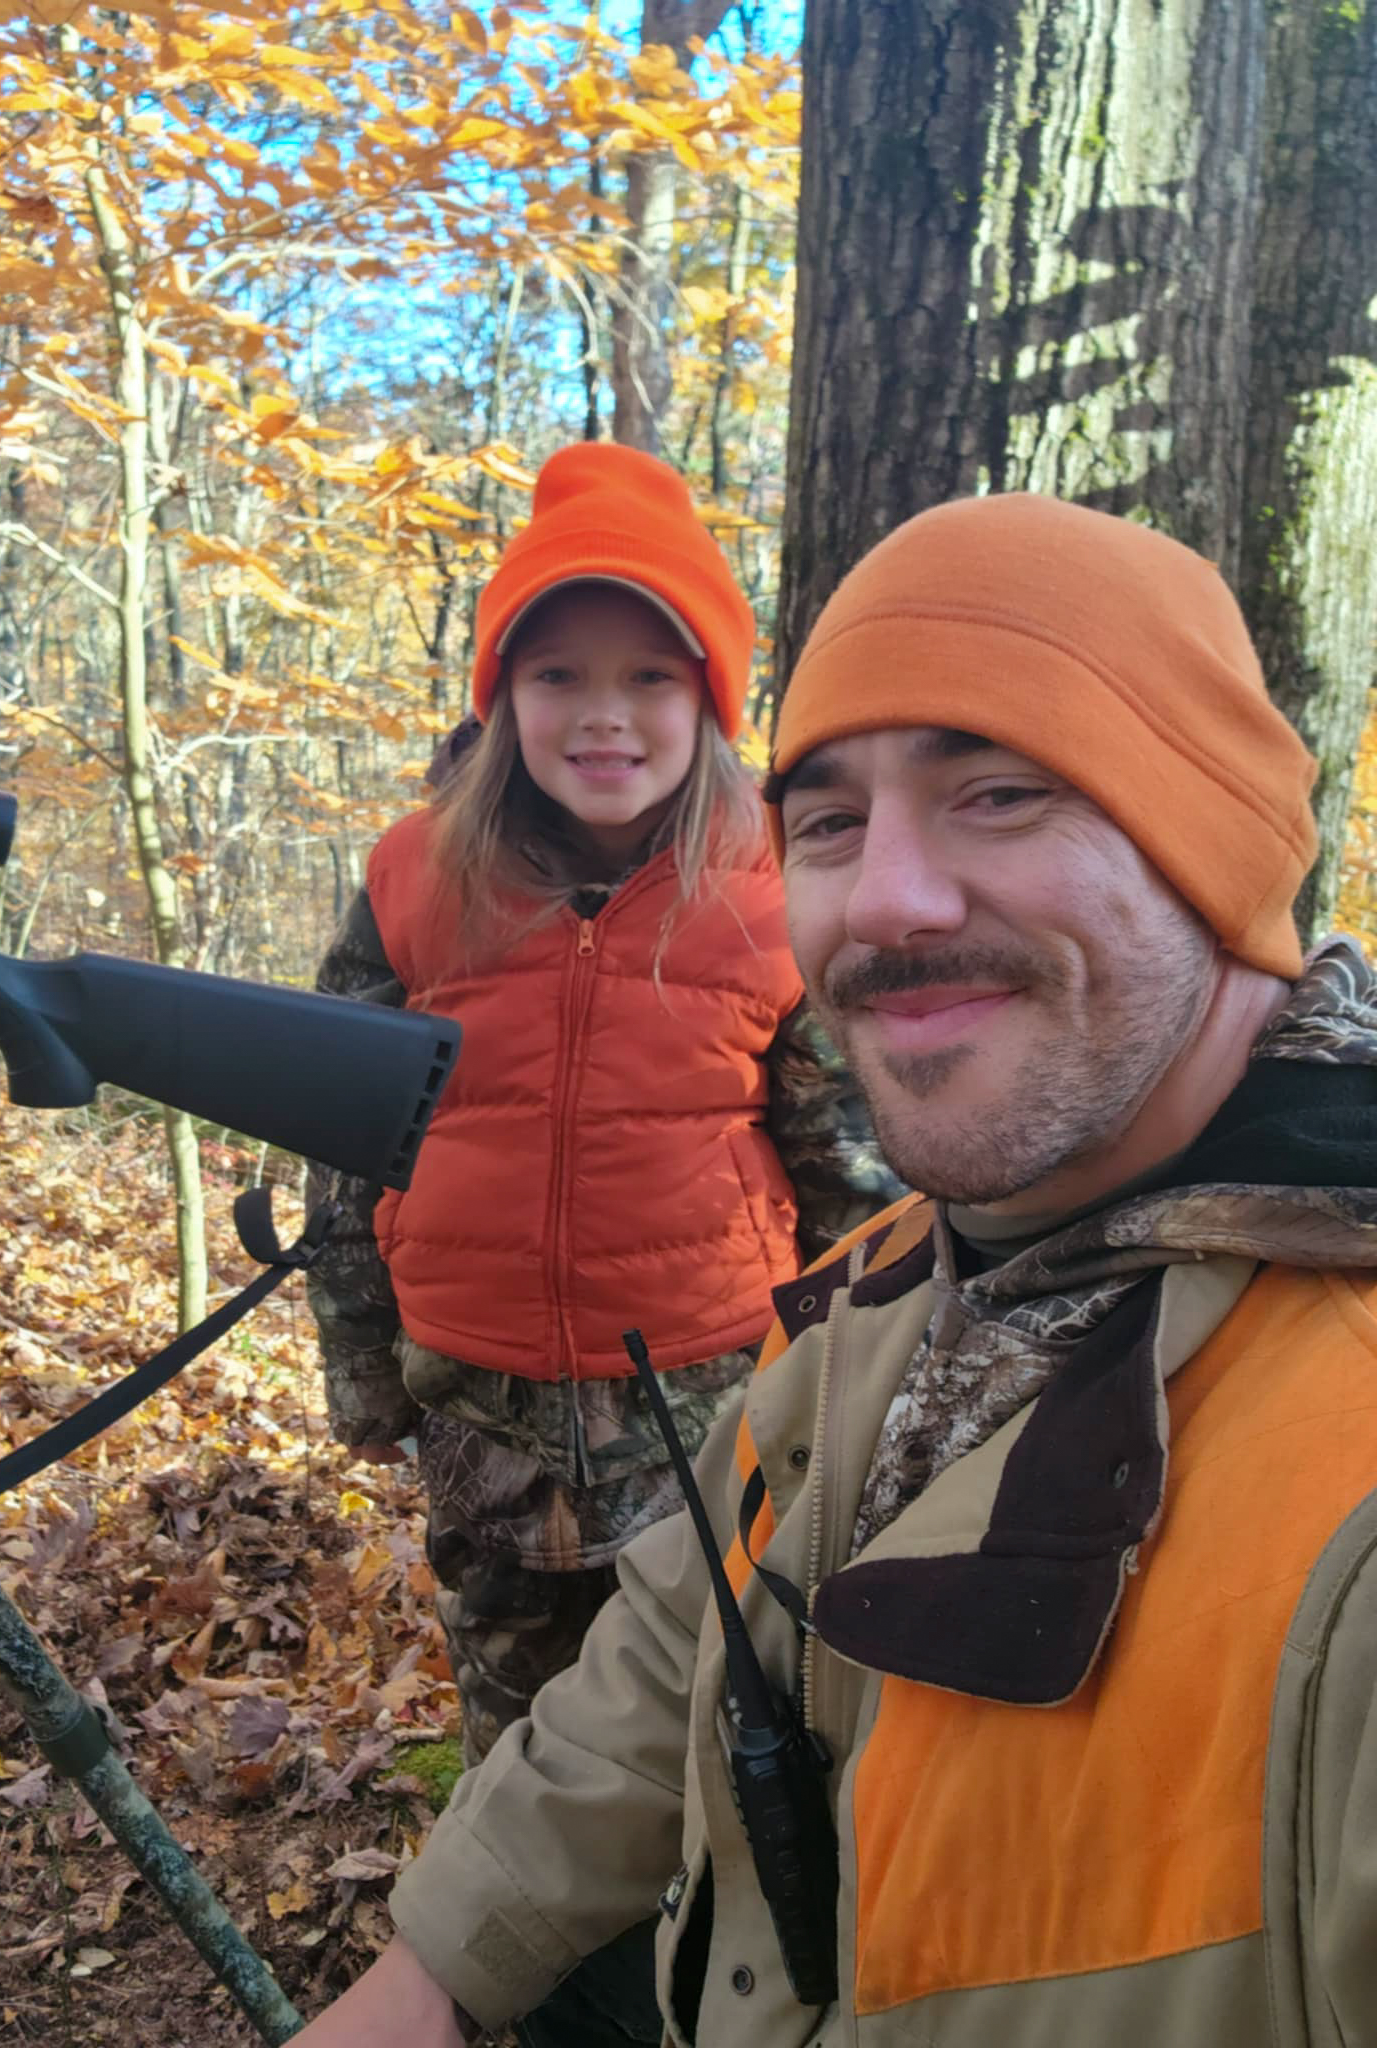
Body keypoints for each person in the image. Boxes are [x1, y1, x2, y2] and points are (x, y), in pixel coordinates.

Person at [294, 489, 1377, 2048]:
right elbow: (704, 1625)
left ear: (1217, 838)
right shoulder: (909, 1297)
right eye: (832, 823)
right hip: (481, 1412)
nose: (887, 898)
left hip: (676, 1368)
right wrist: (441, 1967)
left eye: (1002, 791)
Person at [306, 442, 887, 1773]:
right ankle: (519, 1977)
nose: (603, 714)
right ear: (506, 694)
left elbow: (847, 1167)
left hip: (711, 1402)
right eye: (558, 673)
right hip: (472, 1398)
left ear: (711, 700)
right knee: (516, 1743)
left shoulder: (774, 887)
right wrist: (361, 1367)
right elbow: (339, 1147)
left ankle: (693, 1970)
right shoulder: (413, 876)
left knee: (711, 1728)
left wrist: (846, 1388)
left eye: (650, 678)